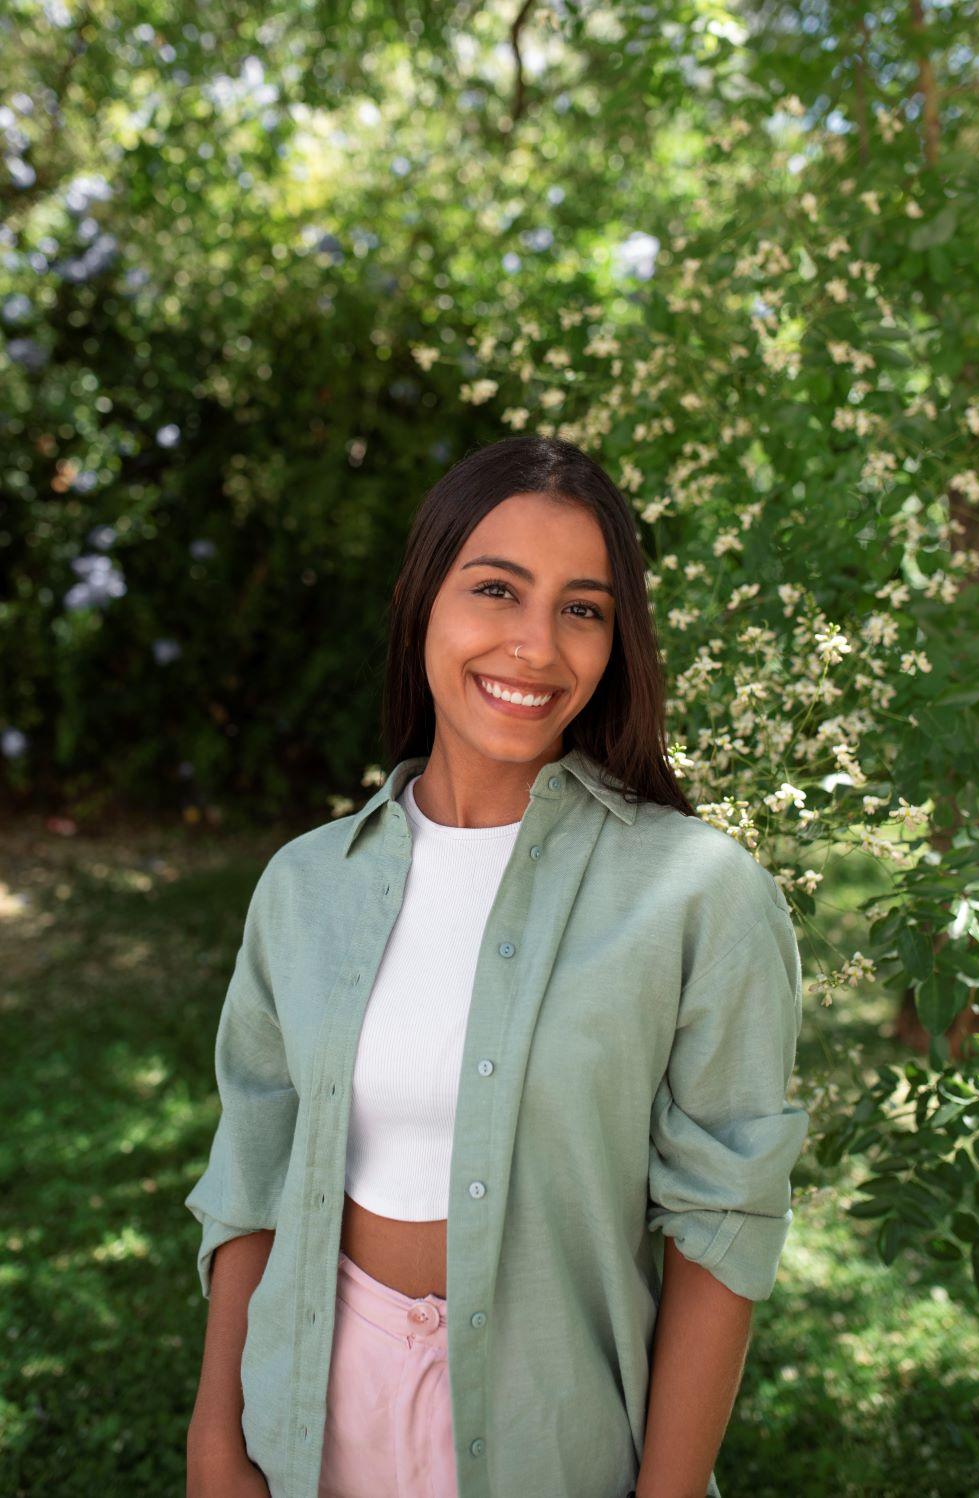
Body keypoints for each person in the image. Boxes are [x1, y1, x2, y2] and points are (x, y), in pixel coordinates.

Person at [184, 433, 810, 1498]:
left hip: (551, 1435)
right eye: (496, 590)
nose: (535, 645)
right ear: (421, 601)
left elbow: (722, 1228)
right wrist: (217, 1437)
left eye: (582, 608)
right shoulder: (305, 886)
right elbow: (253, 1174)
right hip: (307, 1418)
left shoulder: (698, 896)